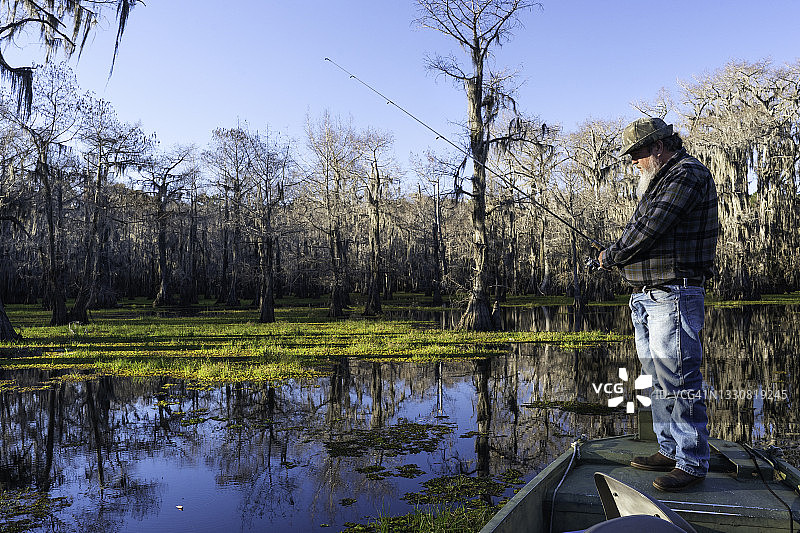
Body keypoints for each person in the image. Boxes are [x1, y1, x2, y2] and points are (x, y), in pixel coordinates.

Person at [598, 117, 719, 492]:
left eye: (636, 154)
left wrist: (611, 255)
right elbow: (645, 229)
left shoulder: (685, 173)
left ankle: (692, 462)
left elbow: (650, 228)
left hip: (673, 294)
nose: (633, 161)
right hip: (648, 296)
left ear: (658, 147)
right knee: (657, 379)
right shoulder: (661, 179)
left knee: (678, 379)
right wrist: (617, 256)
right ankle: (670, 450)